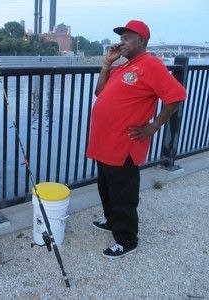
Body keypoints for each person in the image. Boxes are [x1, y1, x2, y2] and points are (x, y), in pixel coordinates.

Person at [86, 20, 186, 258]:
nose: (122, 41)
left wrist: (153, 127)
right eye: (122, 37)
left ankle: (127, 239)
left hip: (124, 144)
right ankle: (112, 222)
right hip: (104, 142)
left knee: (124, 193)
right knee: (106, 187)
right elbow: (99, 92)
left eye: (127, 37)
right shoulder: (123, 67)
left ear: (141, 40)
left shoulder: (150, 65)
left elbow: (176, 96)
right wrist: (106, 64)